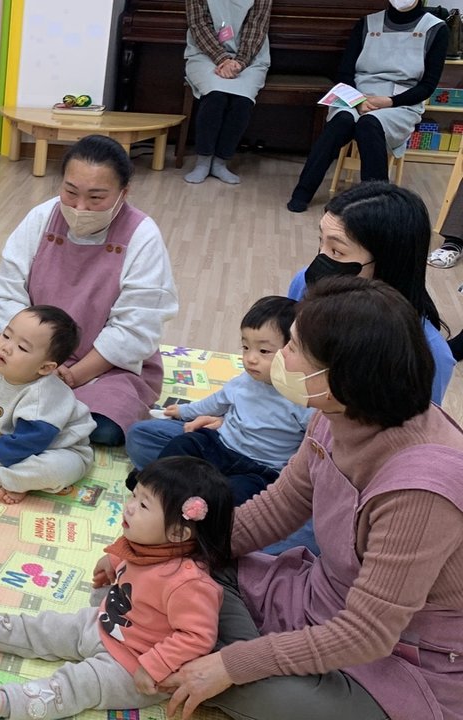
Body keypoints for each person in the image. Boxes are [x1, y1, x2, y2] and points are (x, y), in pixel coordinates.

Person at [162, 277, 463, 720]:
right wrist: (160, 549)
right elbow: (277, 508)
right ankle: (222, 645)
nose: (281, 356)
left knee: (192, 648)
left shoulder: (421, 488)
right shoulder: (335, 413)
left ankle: (223, 649)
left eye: (294, 347)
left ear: (340, 377)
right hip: (317, 598)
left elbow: (368, 632)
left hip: (401, 657)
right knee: (178, 570)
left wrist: (233, 664)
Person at [0, 135, 179, 447]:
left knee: (108, 427)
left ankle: (12, 406)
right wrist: (28, 361)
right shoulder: (42, 218)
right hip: (27, 351)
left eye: (96, 198)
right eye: (71, 192)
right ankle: (38, 412)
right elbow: (8, 292)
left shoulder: (142, 236)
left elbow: (134, 329)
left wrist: (72, 375)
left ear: (124, 192)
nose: (80, 207)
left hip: (97, 367)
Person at [0, 457, 233, 719]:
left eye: (143, 505)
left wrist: (154, 666)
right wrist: (112, 560)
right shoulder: (149, 541)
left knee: (77, 684)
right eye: (133, 495)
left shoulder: (189, 584)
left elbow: (197, 637)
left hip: (133, 665)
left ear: (178, 533)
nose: (130, 507)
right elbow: (131, 554)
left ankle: (11, 702)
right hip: (104, 623)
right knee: (51, 627)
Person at [125, 296, 313, 504]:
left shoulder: (304, 399)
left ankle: (182, 495)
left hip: (259, 469)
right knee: (166, 440)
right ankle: (157, 484)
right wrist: (184, 411)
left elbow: (310, 448)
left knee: (234, 498)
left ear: (293, 350)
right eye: (245, 347)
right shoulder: (245, 380)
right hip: (220, 445)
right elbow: (215, 402)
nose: (250, 358)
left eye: (263, 351)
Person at [285, 182, 453, 404]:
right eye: (320, 242)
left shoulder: (428, 353)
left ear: (386, 263)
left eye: (336, 251)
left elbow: (420, 423)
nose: (319, 260)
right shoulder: (304, 285)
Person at [286, 0, 446, 213]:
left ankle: (377, 207)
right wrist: (358, 101)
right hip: (357, 94)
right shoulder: (367, 23)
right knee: (341, 121)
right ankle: (302, 192)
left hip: (401, 102)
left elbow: (427, 86)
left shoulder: (435, 28)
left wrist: (389, 101)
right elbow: (345, 73)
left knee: (369, 124)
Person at [0, 305, 95, 504]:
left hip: (59, 448)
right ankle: (19, 482)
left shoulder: (42, 396)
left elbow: (27, 443)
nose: (6, 347)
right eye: (7, 335)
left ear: (45, 367)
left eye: (22, 348)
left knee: (54, 470)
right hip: (11, 438)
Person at [182, 0, 272, 184]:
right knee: (215, 95)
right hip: (205, 54)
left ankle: (220, 162)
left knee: (242, 100)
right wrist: (222, 59)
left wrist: (240, 62)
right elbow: (198, 24)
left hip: (249, 58)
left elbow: (256, 27)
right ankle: (203, 161)